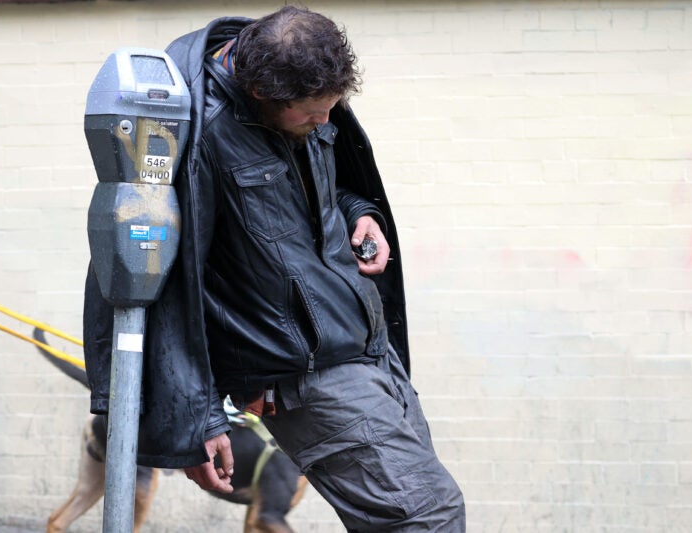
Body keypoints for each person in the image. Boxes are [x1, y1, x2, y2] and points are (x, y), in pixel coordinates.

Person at [83, 5, 465, 531]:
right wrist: (195, 419)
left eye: (333, 108)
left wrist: (361, 214)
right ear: (262, 93)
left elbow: (324, 193)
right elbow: (164, 284)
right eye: (312, 113)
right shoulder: (197, 132)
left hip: (369, 352)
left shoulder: (304, 100)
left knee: (418, 511)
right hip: (305, 376)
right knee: (427, 517)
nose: (326, 121)